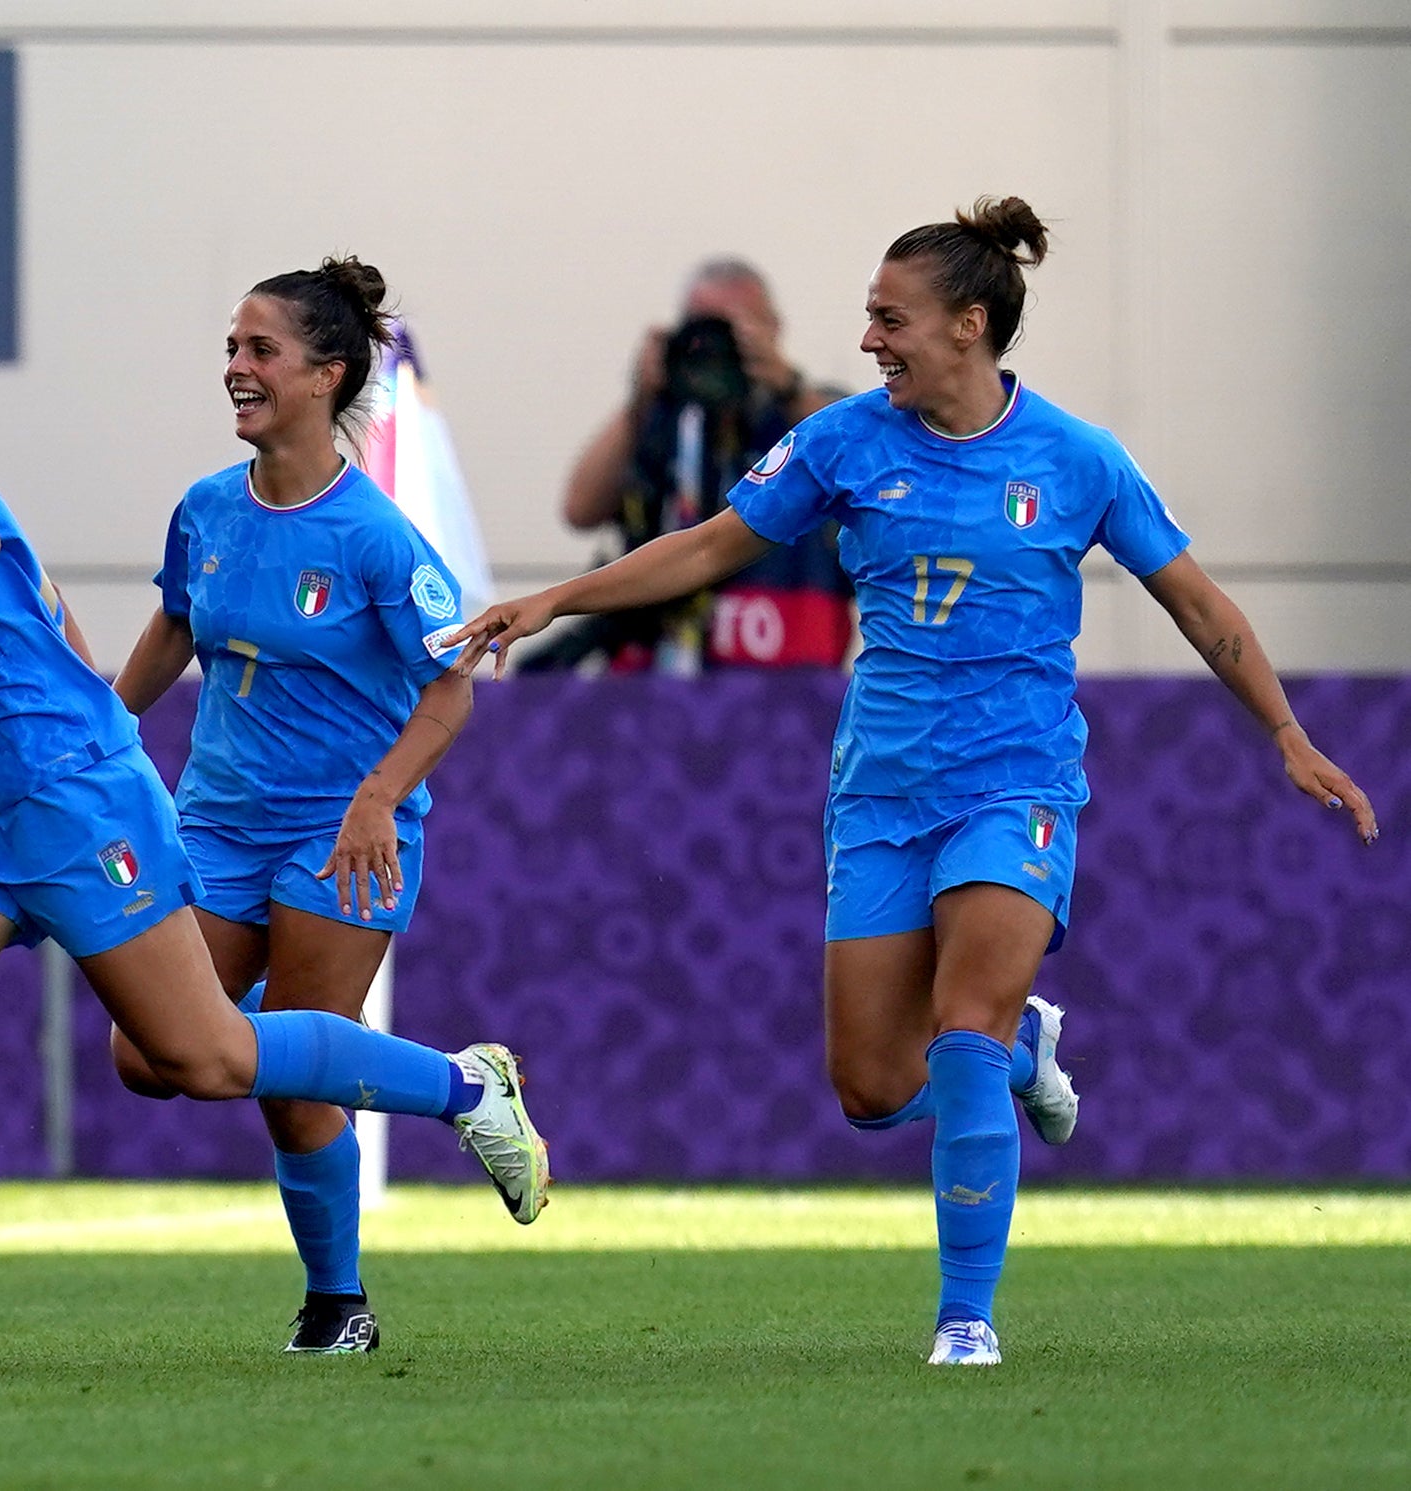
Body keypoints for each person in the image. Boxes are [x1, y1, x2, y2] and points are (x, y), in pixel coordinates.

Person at [451, 197, 1379, 1367]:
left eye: (890, 319)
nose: (869, 341)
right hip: (880, 792)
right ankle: (1028, 1056)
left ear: (968, 327)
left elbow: (1196, 606)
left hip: (1015, 782)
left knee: (964, 1032)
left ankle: (965, 1319)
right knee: (872, 1087)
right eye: (867, 319)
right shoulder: (842, 442)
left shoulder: (1078, 460)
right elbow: (702, 547)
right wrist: (554, 598)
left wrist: (1287, 735)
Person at [0, 263, 550, 1374]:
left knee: (204, 1057)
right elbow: (86, 608)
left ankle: (464, 1090)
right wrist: (104, 705)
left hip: (66, 794)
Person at [108, 257, 480, 1354]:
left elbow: (450, 683)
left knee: (289, 1084)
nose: (235, 369)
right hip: (215, 822)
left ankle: (337, 1304)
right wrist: (98, 730)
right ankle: (460, 1086)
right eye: (232, 348)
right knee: (155, 1055)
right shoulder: (206, 508)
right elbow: (176, 627)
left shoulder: (374, 536)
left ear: (326, 375)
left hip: (342, 832)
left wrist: (377, 799)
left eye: (259, 351)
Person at [532, 259, 849, 673]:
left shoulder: (808, 416)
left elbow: (859, 460)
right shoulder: (665, 426)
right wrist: (641, 401)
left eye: (734, 328)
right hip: (661, 683)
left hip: (788, 690)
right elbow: (580, 509)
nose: (717, 345)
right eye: (702, 327)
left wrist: (784, 382)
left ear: (773, 328)